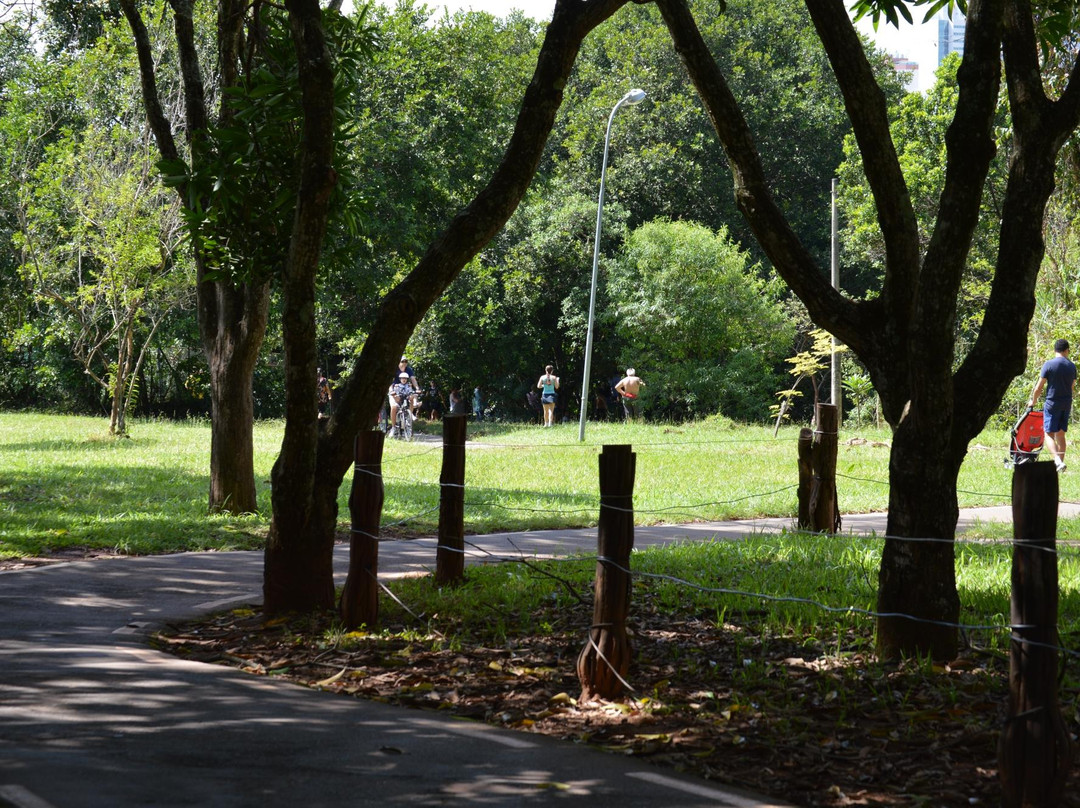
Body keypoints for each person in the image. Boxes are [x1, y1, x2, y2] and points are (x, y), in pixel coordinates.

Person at [1030, 338, 1077, 472]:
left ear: (1055, 350)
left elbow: (1039, 387)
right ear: (1067, 350)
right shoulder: (1071, 366)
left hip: (1052, 403)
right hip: (1066, 403)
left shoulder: (1049, 364)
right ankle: (1060, 465)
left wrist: (1033, 401)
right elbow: (1072, 386)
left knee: (1048, 434)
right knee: (1061, 435)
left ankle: (1056, 460)